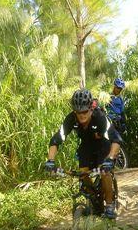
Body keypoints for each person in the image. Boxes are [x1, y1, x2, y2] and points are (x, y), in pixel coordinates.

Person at [45, 89, 122, 219]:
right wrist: (50, 160)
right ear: (74, 110)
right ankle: (93, 199)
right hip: (86, 146)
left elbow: (116, 139)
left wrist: (109, 159)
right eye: (78, 112)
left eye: (85, 111)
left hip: (103, 145)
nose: (82, 115)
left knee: (104, 172)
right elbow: (56, 139)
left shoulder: (100, 118)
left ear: (91, 108)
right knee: (83, 173)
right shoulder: (71, 119)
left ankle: (109, 205)